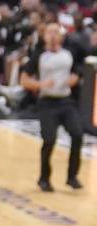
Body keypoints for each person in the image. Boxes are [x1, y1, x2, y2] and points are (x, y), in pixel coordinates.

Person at [19, 22, 84, 192]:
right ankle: (44, 178)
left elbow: (76, 74)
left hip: (66, 101)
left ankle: (72, 177)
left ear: (61, 36)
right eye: (50, 32)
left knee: (77, 135)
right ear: (45, 36)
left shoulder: (69, 53)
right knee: (49, 140)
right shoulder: (39, 55)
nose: (54, 35)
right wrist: (40, 84)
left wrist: (73, 80)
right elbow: (24, 80)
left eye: (57, 32)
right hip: (47, 103)